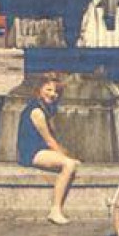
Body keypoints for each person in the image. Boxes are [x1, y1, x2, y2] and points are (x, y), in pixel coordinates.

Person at [16, 75, 81, 225]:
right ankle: (55, 210)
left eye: (56, 91)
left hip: (39, 150)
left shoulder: (45, 108)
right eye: (48, 89)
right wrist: (67, 157)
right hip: (31, 152)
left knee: (70, 162)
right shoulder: (37, 112)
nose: (53, 94)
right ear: (39, 90)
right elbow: (49, 141)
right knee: (69, 165)